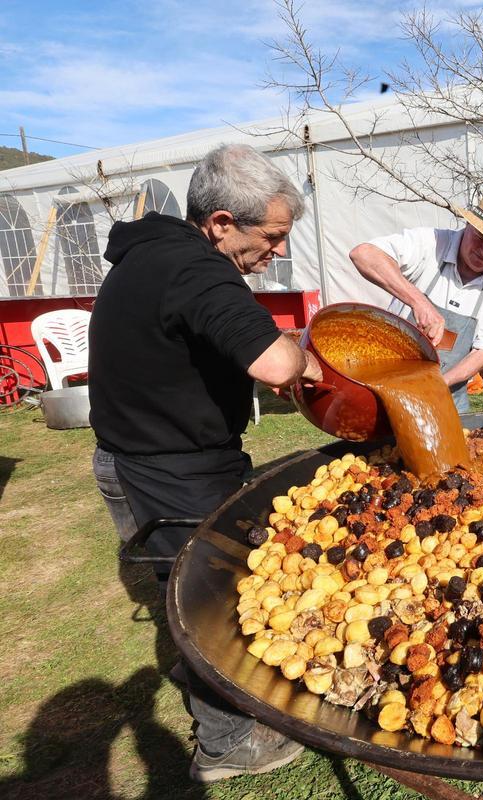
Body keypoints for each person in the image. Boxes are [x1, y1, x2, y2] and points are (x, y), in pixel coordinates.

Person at [89, 143, 323, 783]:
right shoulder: (196, 269)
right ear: (221, 223)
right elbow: (277, 363)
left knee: (186, 594)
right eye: (271, 237)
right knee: (212, 608)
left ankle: (207, 680)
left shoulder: (153, 256)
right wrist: (307, 362)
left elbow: (187, 343)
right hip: (168, 473)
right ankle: (227, 745)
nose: (274, 252)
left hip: (133, 457)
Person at [349, 189, 483, 412]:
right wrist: (419, 302)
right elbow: (363, 254)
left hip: (446, 395)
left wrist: (436, 385)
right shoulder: (430, 242)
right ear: (468, 225)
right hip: (390, 383)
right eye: (481, 238)